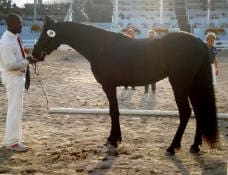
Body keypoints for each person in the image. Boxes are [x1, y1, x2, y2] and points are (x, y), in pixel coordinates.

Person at [0, 13, 36, 151]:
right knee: (14, 110)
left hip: (18, 77)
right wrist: (27, 61)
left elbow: (17, 53)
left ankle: (14, 140)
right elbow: (10, 65)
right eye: (19, 23)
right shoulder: (6, 43)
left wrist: (25, 54)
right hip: (13, 78)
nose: (22, 25)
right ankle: (11, 142)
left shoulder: (14, 37)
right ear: (11, 25)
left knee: (17, 110)